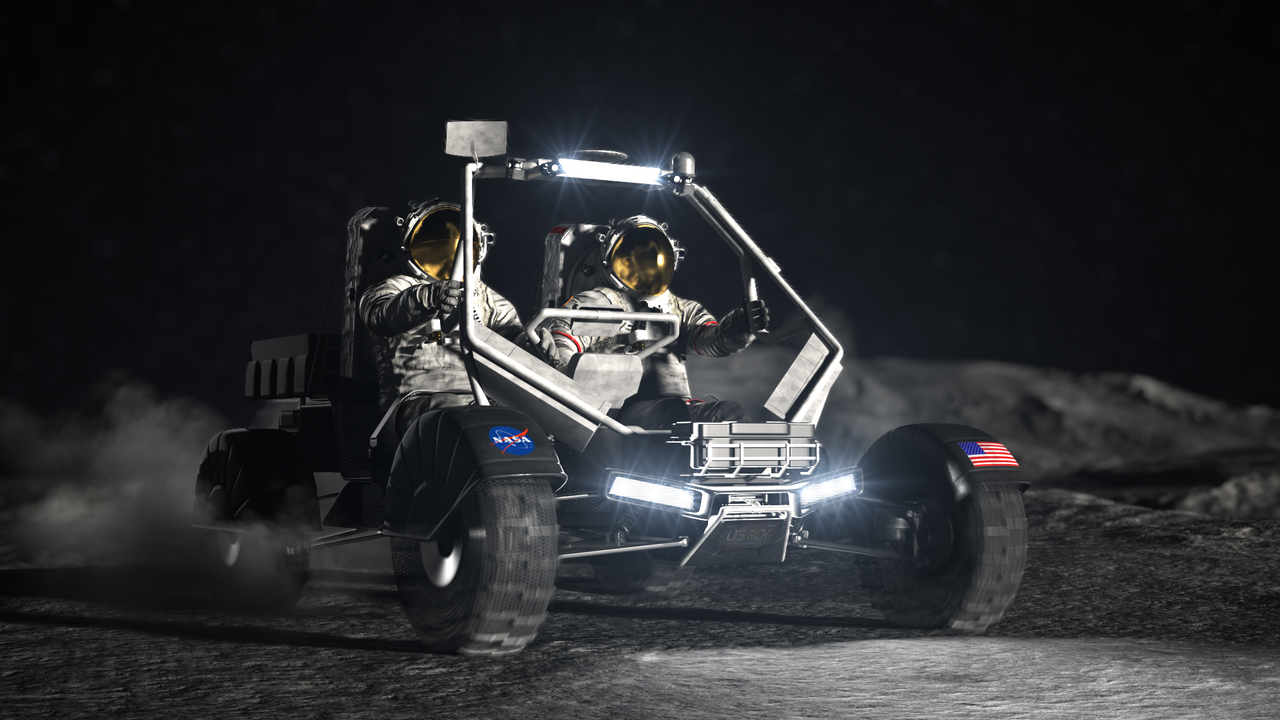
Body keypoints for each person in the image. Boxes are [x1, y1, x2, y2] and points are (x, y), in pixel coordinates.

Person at [533, 215, 767, 429]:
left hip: (674, 407)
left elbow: (713, 341)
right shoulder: (600, 303)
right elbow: (562, 349)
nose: (648, 269)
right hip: (617, 412)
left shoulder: (679, 308)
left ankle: (747, 467)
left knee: (727, 415)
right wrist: (565, 375)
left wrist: (741, 326)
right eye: (638, 262)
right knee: (678, 416)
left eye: (655, 261)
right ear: (609, 262)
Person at [360, 200, 522, 435]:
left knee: (520, 417)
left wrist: (533, 345)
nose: (448, 253)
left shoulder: (488, 301)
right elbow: (382, 316)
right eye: (437, 243)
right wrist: (428, 297)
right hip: (409, 405)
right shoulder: (393, 288)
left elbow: (514, 343)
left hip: (479, 402)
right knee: (448, 411)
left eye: (457, 244)